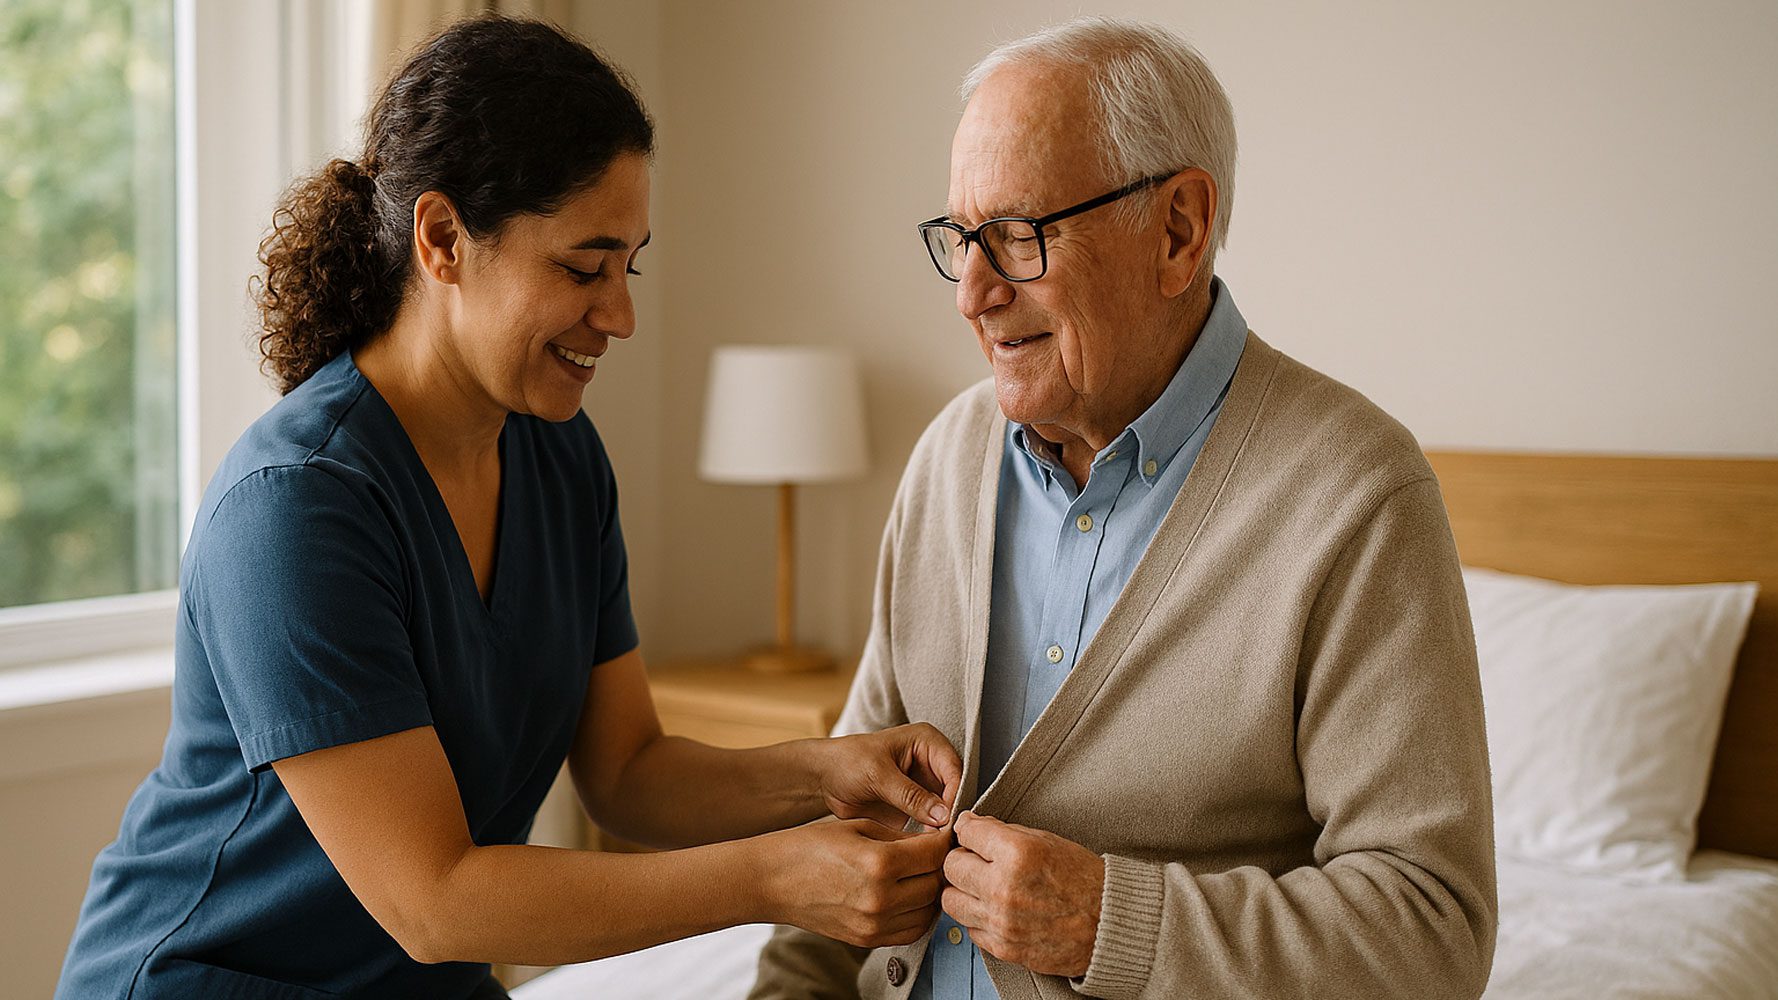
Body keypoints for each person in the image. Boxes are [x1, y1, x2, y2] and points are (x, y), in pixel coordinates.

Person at [55, 16, 956, 1000]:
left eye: (630, 264)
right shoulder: (296, 508)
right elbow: (434, 901)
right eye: (582, 266)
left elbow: (627, 771)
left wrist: (824, 775)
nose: (619, 314)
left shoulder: (560, 456)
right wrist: (777, 875)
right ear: (440, 239)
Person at [750, 17, 1495, 1000]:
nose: (970, 292)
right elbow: (853, 839)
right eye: (958, 238)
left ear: (1177, 229)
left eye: (1015, 236)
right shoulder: (946, 460)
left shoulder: (1353, 497)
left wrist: (1109, 921)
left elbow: (1429, 930)